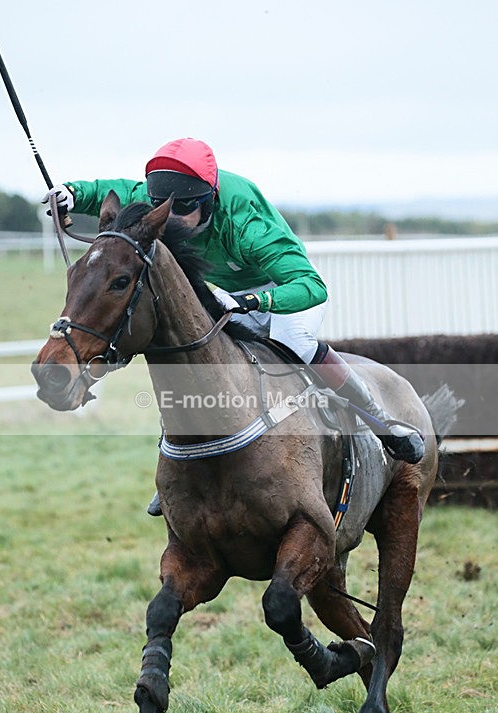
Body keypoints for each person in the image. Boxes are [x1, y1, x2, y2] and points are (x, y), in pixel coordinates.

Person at [44, 137, 424, 480]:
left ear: (208, 199)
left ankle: (380, 422)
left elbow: (312, 287)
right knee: (196, 351)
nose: (170, 218)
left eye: (184, 209)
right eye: (162, 206)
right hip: (227, 294)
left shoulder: (247, 224)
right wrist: (72, 194)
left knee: (293, 341)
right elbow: (114, 192)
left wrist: (251, 301)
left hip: (283, 291)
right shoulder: (166, 193)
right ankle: (183, 467)